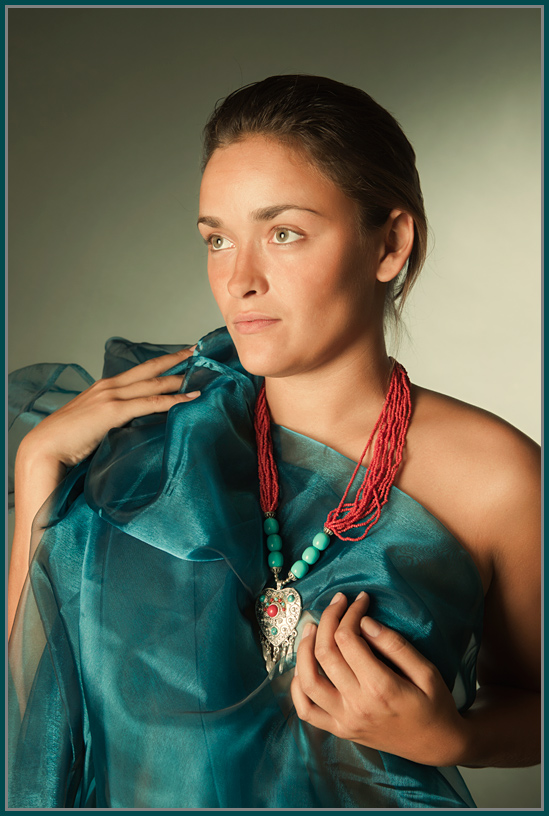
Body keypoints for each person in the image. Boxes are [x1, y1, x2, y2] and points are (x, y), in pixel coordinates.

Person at [8, 75, 540, 809]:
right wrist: (38, 466)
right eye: (217, 239)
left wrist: (452, 739)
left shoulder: (497, 479)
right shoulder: (151, 444)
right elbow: (42, 704)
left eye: (282, 233)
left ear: (389, 243)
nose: (239, 279)